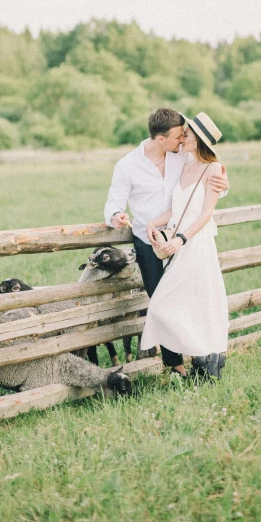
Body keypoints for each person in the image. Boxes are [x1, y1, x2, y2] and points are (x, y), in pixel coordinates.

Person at [104, 107, 228, 360]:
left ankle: (198, 355)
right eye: (178, 136)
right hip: (147, 241)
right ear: (161, 139)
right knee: (160, 302)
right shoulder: (127, 165)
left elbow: (206, 176)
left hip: (180, 239)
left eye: (184, 135)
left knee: (184, 298)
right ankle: (175, 364)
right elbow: (113, 202)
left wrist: (224, 186)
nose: (182, 139)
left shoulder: (181, 156)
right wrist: (116, 215)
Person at [140, 113, 229, 379]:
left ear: (198, 139)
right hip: (180, 245)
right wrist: (152, 224)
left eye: (187, 133)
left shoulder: (213, 169)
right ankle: (207, 358)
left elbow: (205, 214)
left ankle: (207, 358)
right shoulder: (186, 162)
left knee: (177, 303)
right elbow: (177, 207)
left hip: (195, 244)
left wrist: (181, 239)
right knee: (177, 304)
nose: (183, 136)